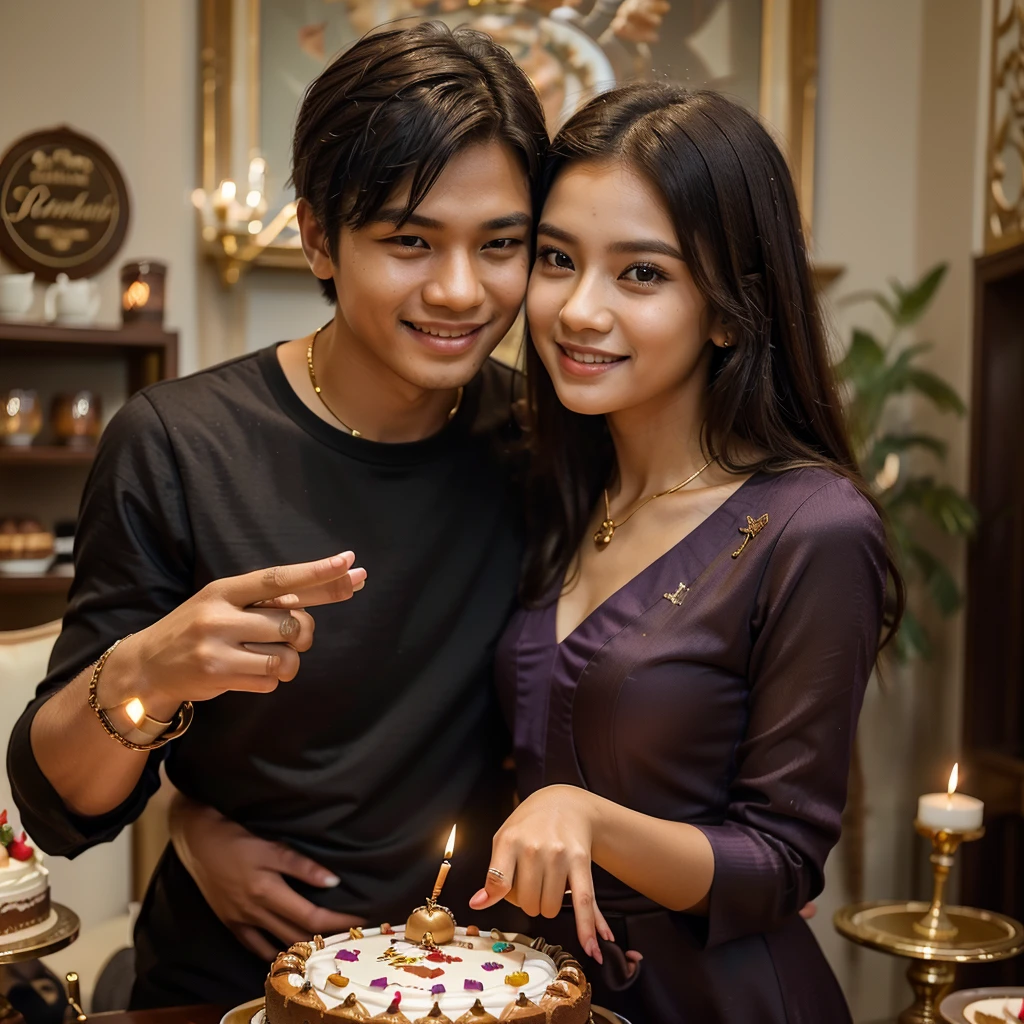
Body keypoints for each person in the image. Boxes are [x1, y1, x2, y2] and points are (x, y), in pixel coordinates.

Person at [7, 22, 547, 1008]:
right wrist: (150, 673)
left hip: (479, 977)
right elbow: (61, 807)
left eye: (500, 245)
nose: (462, 290)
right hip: (231, 973)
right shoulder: (177, 444)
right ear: (315, 238)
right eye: (408, 241)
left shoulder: (543, 448)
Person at [468, 83, 904, 1023]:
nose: (579, 310)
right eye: (557, 259)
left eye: (642, 274)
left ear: (728, 310)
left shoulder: (812, 525)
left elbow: (783, 864)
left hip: (715, 997)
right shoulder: (554, 487)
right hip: (540, 991)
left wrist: (589, 819)